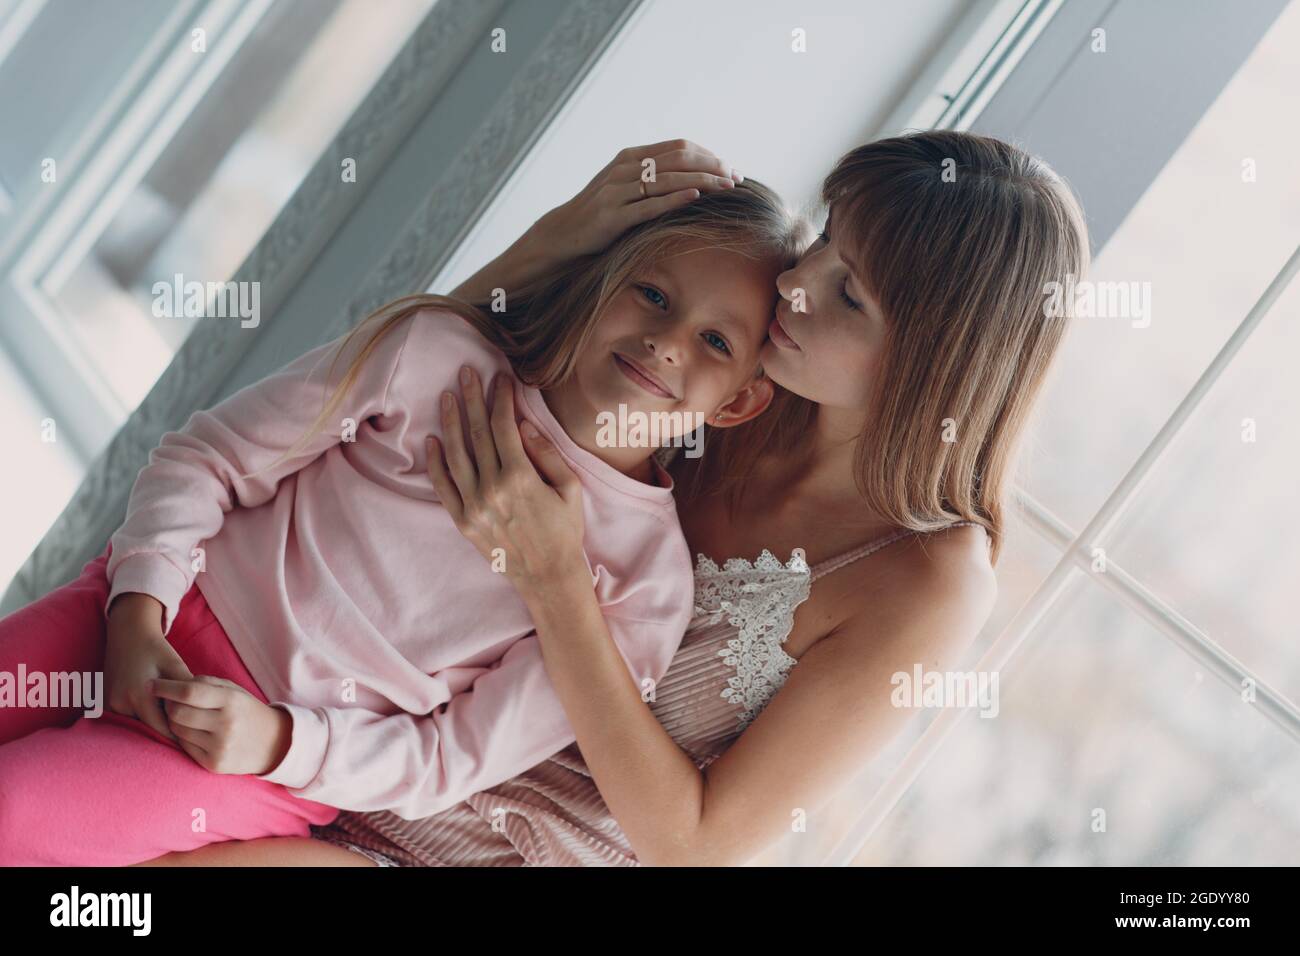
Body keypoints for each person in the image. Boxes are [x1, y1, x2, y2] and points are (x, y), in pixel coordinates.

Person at [141, 130, 1090, 867]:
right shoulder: (741, 386)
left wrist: (558, 583)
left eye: (849, 296)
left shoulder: (924, 583)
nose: (795, 288)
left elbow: (695, 846)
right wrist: (558, 235)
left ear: (934, 363)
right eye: (826, 244)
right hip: (350, 755)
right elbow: (426, 379)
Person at [0, 176, 803, 865]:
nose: (666, 343)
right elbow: (205, 458)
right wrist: (138, 612)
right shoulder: (432, 353)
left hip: (248, 765)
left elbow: (450, 758)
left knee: (15, 814)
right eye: (654, 295)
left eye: (713, 340)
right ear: (605, 278)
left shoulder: (645, 586)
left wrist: (279, 743)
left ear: (738, 401)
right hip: (141, 607)